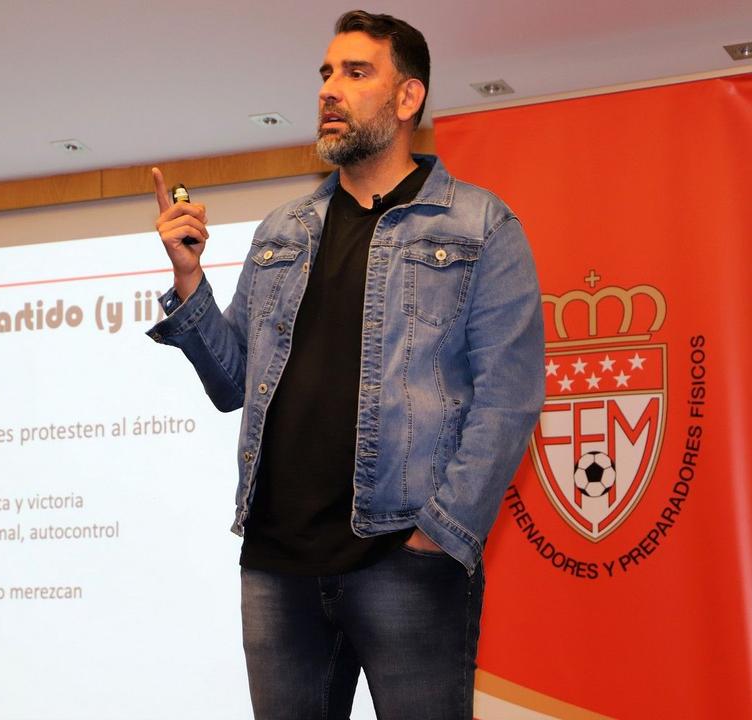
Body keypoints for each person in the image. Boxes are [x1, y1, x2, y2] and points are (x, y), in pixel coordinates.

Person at [147, 10, 544, 720]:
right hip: (277, 564)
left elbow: (508, 401)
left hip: (403, 557)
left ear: (408, 97)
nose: (330, 89)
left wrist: (439, 535)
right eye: (327, 73)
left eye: (356, 73)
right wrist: (188, 281)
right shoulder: (284, 230)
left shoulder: (481, 227)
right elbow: (233, 384)